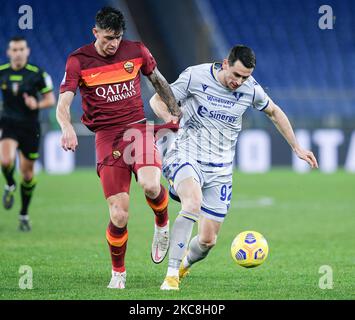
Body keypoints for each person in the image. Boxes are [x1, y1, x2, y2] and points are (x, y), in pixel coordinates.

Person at [149, 44, 319, 290]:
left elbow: (274, 112)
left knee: (208, 240)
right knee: (192, 203)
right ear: (225, 63)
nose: (239, 81)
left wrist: (297, 147)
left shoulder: (250, 89)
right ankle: (171, 275)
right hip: (186, 155)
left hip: (220, 170)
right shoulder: (195, 76)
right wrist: (170, 118)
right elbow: (157, 99)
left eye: (245, 77)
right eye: (236, 75)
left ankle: (185, 264)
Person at [56, 7, 180, 289]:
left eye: (118, 38)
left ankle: (162, 222)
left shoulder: (136, 51)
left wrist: (174, 111)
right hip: (107, 137)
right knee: (119, 214)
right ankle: (118, 273)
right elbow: (63, 103)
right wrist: (66, 127)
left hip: (137, 128)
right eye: (108, 38)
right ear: (95, 32)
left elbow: (158, 80)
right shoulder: (79, 61)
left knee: (150, 185)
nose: (114, 43)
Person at [0, 36, 55, 231]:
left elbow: (51, 100)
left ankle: (23, 214)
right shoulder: (2, 72)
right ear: (8, 52)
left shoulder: (37, 74)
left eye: (21, 49)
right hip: (8, 123)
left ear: (27, 51)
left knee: (28, 174)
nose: (17, 53)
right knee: (5, 161)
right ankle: (9, 185)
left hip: (30, 127)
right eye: (14, 50)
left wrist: (36, 104)